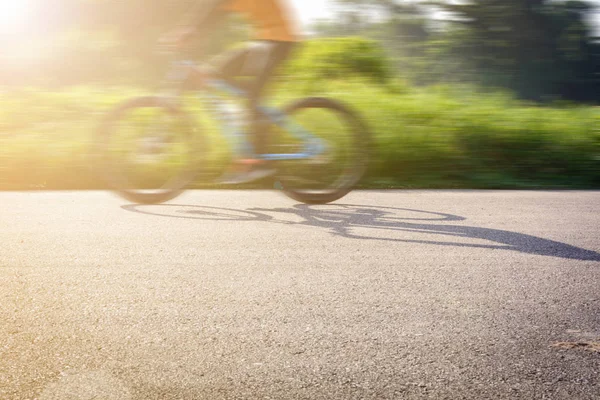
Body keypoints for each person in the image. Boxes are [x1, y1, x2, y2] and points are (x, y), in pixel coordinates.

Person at [161, 0, 299, 184]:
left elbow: (212, 11)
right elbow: (212, 12)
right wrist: (187, 31)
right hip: (262, 42)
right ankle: (248, 118)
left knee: (253, 99)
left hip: (281, 42)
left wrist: (189, 31)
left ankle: (258, 163)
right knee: (215, 75)